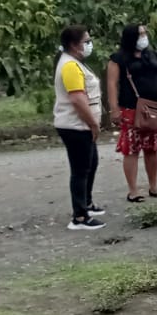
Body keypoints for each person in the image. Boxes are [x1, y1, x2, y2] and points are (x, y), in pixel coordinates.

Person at [106, 23, 157, 203]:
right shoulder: (119, 59)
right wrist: (114, 109)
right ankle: (133, 190)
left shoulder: (152, 56)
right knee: (132, 149)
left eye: (145, 34)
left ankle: (154, 186)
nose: (144, 37)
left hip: (152, 108)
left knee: (152, 148)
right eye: (140, 34)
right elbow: (112, 84)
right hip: (131, 108)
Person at [53, 25, 107, 230]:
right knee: (80, 170)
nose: (89, 44)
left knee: (91, 163)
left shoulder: (75, 63)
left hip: (82, 124)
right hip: (75, 125)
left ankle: (87, 203)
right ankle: (80, 217)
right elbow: (77, 99)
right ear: (74, 45)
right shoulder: (69, 66)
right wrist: (92, 123)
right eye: (86, 41)